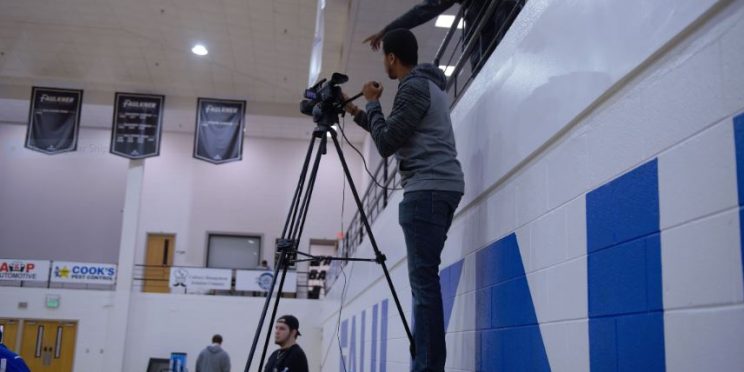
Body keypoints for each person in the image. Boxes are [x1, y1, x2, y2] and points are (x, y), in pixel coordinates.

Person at [344, 29, 464, 372]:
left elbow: (386, 144)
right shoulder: (430, 88)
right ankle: (427, 363)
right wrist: (356, 110)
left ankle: (427, 367)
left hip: (427, 189)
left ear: (392, 58)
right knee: (426, 283)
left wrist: (371, 102)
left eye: (385, 57)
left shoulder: (411, 87)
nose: (384, 63)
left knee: (424, 286)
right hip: (441, 187)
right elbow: (393, 131)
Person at [363, 0, 522, 72]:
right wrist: (386, 30)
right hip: (479, 21)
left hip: (502, 10)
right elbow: (422, 11)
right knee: (479, 61)